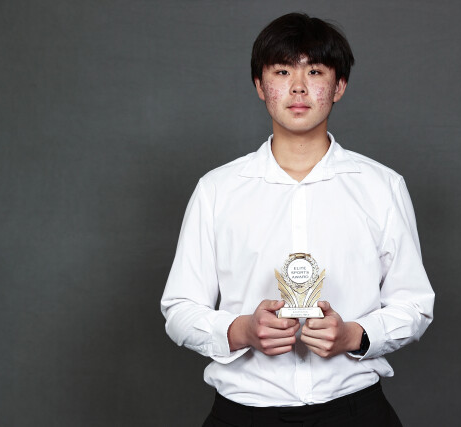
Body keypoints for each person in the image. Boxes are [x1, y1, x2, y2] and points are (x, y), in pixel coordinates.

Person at [161, 12, 435, 427]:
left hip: (354, 411)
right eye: (282, 71)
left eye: (316, 71)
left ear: (339, 86)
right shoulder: (217, 190)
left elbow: (414, 304)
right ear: (260, 85)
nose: (299, 87)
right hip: (243, 414)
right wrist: (241, 331)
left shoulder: (382, 187)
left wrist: (355, 336)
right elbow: (180, 308)